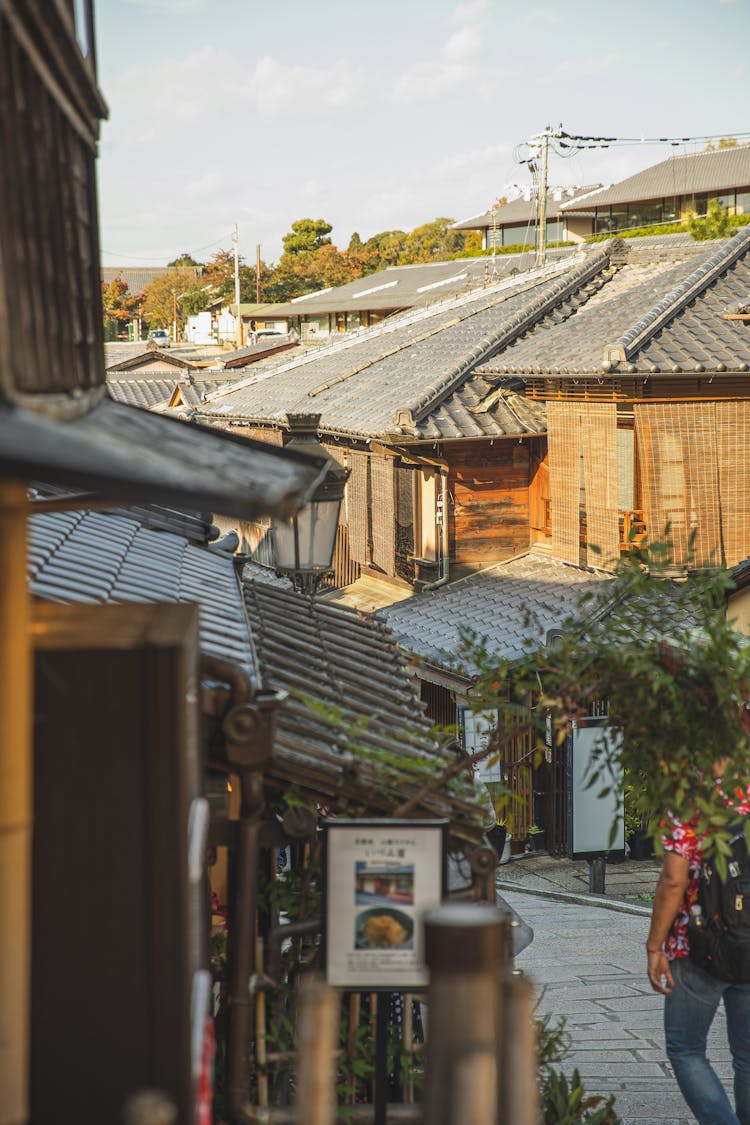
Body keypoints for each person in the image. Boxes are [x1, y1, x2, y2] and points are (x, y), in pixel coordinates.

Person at [646, 767, 750, 1125]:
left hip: (699, 943)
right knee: (748, 1057)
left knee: (686, 1048)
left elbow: (674, 878)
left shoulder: (693, 797)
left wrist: (654, 946)